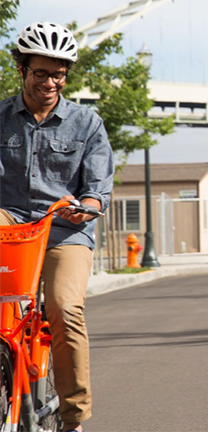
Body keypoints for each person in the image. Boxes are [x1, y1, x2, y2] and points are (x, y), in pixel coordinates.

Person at [0, 22, 114, 432]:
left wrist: (87, 206)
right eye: (40, 73)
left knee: (65, 309)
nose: (50, 82)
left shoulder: (87, 124)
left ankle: (73, 418)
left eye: (58, 74)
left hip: (64, 230)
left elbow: (98, 187)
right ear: (22, 70)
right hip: (9, 223)